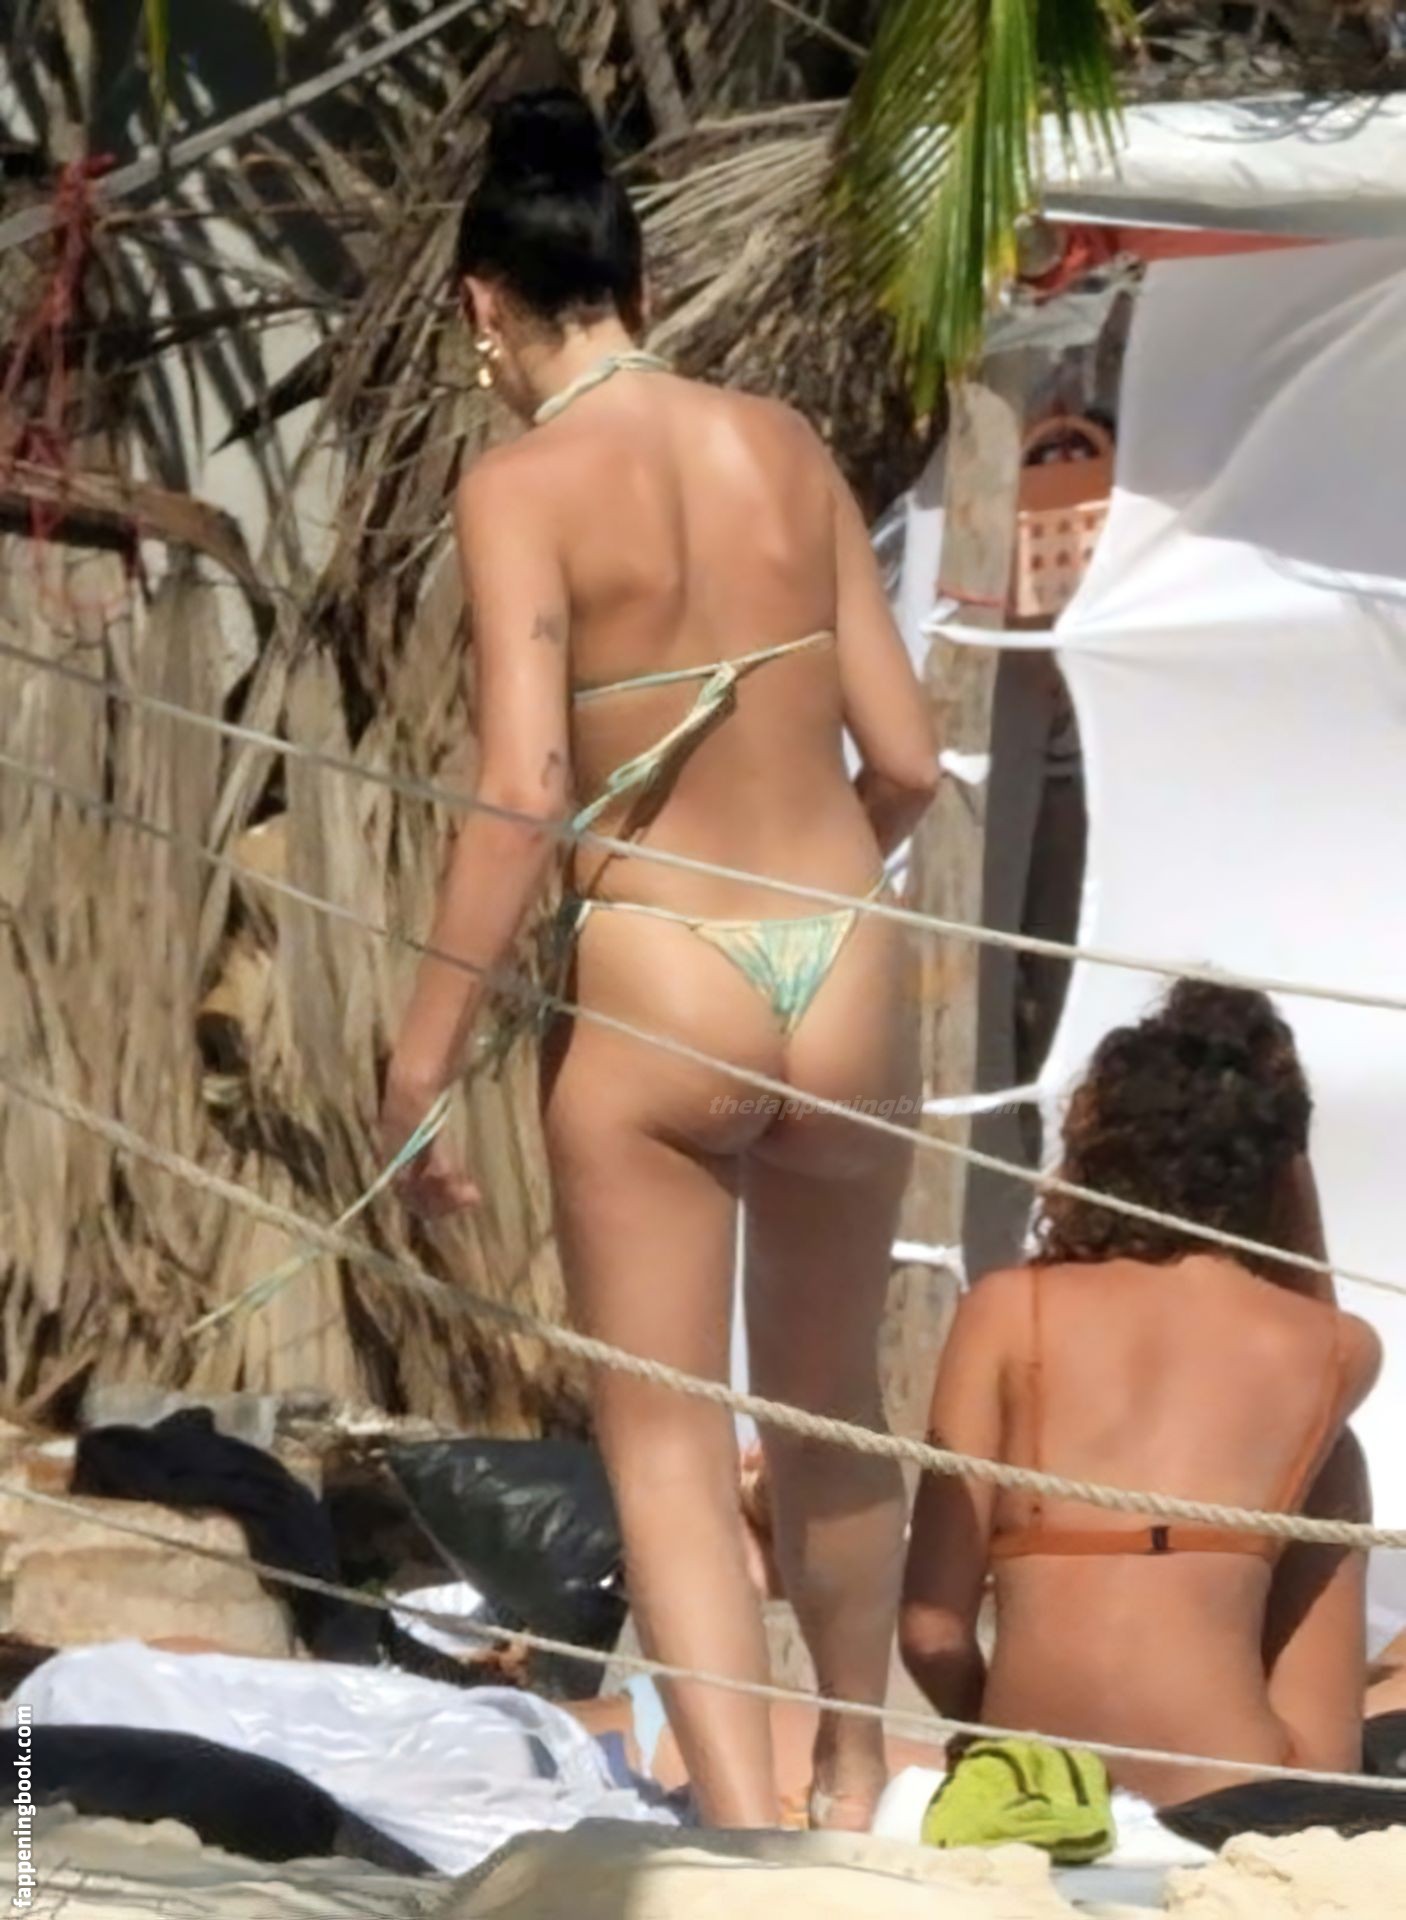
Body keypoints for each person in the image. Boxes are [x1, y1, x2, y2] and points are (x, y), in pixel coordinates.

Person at [380, 86, 939, 1828]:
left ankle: (747, 1829)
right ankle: (851, 1767)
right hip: (839, 955)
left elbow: (523, 789)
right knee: (833, 1408)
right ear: (638, 283)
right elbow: (908, 759)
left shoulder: (520, 484)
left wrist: (421, 1058)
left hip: (660, 966)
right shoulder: (784, 445)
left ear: (482, 307)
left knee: (669, 1435)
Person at [900, 981, 1381, 1807]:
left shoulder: (1009, 1311)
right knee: (1333, 1458)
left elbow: (931, 1632)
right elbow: (1308, 1303)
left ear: (1099, 1148)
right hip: (1235, 1785)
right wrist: (1286, 1181)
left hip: (1043, 1785)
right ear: (1279, 1168)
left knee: (1318, 1458)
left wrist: (996, 1742)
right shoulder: (1339, 1349)